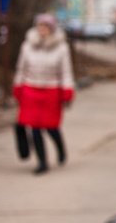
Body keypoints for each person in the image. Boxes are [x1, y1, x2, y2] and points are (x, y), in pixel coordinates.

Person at [13, 13, 75, 175]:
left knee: (51, 127)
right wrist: (18, 86)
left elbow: (66, 71)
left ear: (51, 29)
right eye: (40, 26)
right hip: (31, 88)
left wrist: (67, 90)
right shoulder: (27, 45)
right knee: (34, 127)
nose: (42, 29)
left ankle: (60, 148)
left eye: (46, 26)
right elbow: (21, 68)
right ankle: (42, 162)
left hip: (51, 91)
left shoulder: (61, 48)